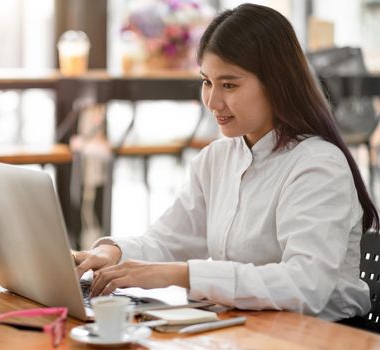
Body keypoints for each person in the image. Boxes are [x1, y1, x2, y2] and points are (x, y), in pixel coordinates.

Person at [73, 3, 378, 321]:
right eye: (207, 81)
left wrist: (183, 274)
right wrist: (109, 254)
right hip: (246, 327)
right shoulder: (217, 158)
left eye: (229, 85)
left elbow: (304, 286)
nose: (212, 101)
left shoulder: (318, 166)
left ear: (276, 83)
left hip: (321, 335)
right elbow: (168, 237)